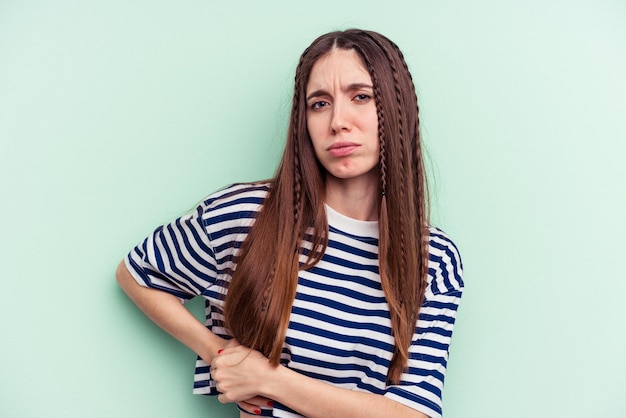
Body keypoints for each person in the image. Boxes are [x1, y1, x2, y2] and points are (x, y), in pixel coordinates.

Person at [116, 29, 464, 418]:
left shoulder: (432, 258)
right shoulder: (247, 215)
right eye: (319, 104)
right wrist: (221, 354)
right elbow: (137, 272)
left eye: (360, 97)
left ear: (396, 109)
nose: (337, 122)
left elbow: (413, 412)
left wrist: (270, 379)